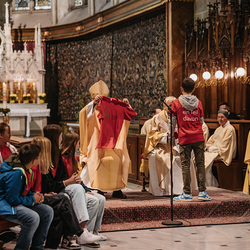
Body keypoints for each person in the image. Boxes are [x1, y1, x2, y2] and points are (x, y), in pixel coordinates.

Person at [42, 124, 101, 248]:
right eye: (60, 136)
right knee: (71, 194)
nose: (61, 139)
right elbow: (47, 185)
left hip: (60, 188)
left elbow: (63, 176)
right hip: (51, 192)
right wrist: (68, 182)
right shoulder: (44, 156)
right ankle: (78, 233)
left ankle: (83, 232)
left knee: (92, 199)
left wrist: (74, 180)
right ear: (55, 137)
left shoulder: (57, 153)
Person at [79, 80, 137, 199]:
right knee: (98, 161)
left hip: (113, 145)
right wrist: (93, 104)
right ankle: (98, 188)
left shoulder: (112, 110)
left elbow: (127, 115)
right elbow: (83, 114)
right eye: (98, 99)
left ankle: (117, 189)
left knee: (119, 159)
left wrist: (126, 105)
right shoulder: (91, 110)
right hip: (96, 145)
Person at [31, 136, 84, 249]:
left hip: (41, 196)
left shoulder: (43, 166)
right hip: (31, 199)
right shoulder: (33, 168)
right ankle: (79, 233)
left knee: (58, 207)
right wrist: (43, 195)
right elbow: (27, 190)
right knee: (62, 199)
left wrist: (45, 194)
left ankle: (52, 246)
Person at [141, 96, 198, 196]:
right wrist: (165, 136)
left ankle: (182, 189)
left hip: (177, 147)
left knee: (185, 157)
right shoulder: (157, 118)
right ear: (165, 107)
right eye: (170, 105)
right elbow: (151, 135)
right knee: (158, 157)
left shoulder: (181, 117)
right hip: (162, 148)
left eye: (175, 105)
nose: (173, 107)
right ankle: (162, 190)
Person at [0, 144, 54, 250]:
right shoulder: (16, 174)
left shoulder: (24, 167)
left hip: (11, 201)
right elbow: (12, 199)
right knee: (33, 218)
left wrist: (35, 196)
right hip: (4, 205)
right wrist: (33, 199)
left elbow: (21, 191)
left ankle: (37, 247)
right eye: (39, 157)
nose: (40, 160)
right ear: (33, 160)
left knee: (47, 211)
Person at [171, 77, 211, 202]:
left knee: (185, 165)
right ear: (194, 89)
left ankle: (187, 193)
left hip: (185, 137)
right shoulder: (198, 102)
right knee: (200, 164)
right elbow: (201, 121)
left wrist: (172, 138)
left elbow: (172, 123)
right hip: (198, 137)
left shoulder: (176, 103)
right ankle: (203, 192)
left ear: (181, 88)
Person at [61, 132, 106, 241]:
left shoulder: (72, 159)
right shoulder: (62, 159)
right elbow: (64, 179)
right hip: (68, 189)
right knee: (94, 201)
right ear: (74, 143)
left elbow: (77, 178)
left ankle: (94, 230)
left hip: (77, 187)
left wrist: (86, 190)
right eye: (78, 143)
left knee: (101, 198)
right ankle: (84, 232)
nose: (79, 146)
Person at [205, 109, 237, 187]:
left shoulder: (230, 129)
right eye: (218, 117)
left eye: (222, 117)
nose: (220, 119)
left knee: (205, 159)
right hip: (214, 151)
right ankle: (204, 183)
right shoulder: (219, 129)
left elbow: (225, 146)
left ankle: (210, 184)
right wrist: (208, 147)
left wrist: (211, 149)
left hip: (223, 152)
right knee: (200, 158)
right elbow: (211, 140)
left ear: (226, 118)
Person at [0, 123, 18, 246]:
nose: (11, 135)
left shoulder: (11, 148)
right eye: (8, 133)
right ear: (1, 135)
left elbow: (17, 165)